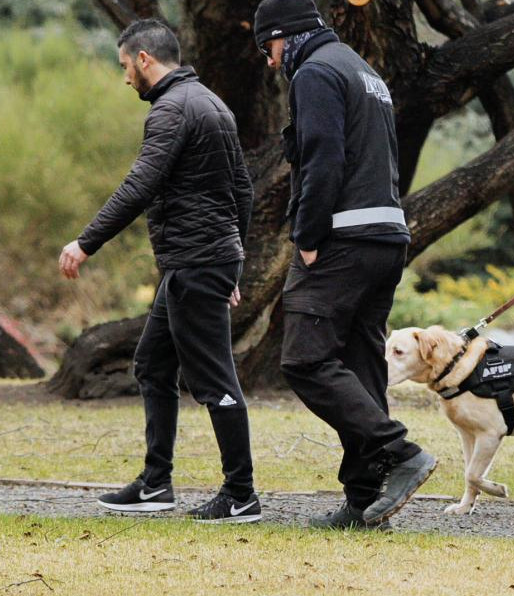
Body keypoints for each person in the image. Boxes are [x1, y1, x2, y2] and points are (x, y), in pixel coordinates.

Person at [58, 19, 261, 523]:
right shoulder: (212, 103)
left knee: (214, 380)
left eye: (126, 66)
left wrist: (85, 243)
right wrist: (235, 260)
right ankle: (156, 483)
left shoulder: (172, 109)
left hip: (196, 262)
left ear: (145, 59)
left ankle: (241, 494)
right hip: (199, 262)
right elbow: (243, 192)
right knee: (151, 363)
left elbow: (139, 185)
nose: (126, 78)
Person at [253, 0, 436, 529]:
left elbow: (322, 157)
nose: (269, 61)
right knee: (360, 364)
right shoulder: (363, 69)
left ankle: (401, 453)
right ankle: (363, 503)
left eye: (268, 48)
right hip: (385, 237)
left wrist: (307, 235)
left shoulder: (314, 72)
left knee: (305, 361)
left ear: (285, 36)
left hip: (341, 239)